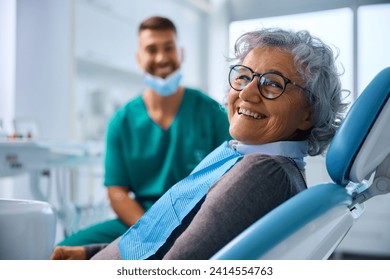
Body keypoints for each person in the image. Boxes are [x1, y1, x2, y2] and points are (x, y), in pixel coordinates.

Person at [51, 27, 347, 260]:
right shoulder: (243, 156)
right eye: (243, 77)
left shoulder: (261, 172)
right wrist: (90, 254)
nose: (246, 94)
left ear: (309, 112)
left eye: (272, 83)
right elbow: (170, 233)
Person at [58, 16, 231, 246]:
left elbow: (230, 176)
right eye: (151, 49)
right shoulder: (122, 122)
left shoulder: (211, 112)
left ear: (181, 53)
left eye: (168, 48)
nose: (161, 57)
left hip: (198, 217)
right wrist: (151, 230)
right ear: (139, 58)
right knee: (65, 251)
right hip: (141, 219)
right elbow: (117, 192)